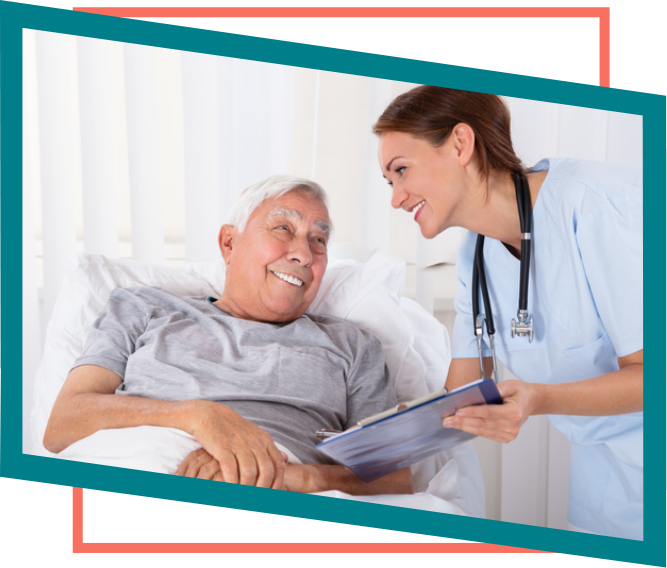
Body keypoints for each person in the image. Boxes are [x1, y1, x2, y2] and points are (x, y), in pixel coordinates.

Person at [373, 85, 643, 540]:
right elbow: (456, 399)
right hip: (607, 485)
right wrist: (366, 436)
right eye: (389, 182)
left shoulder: (596, 204)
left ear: (461, 143)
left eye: (402, 171)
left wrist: (540, 398)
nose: (396, 198)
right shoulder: (474, 256)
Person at [43, 175, 413, 496]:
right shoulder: (142, 307)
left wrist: (290, 476)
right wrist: (197, 416)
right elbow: (63, 423)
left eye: (319, 240)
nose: (303, 253)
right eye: (284, 228)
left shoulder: (353, 346)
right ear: (229, 244)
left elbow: (394, 478)